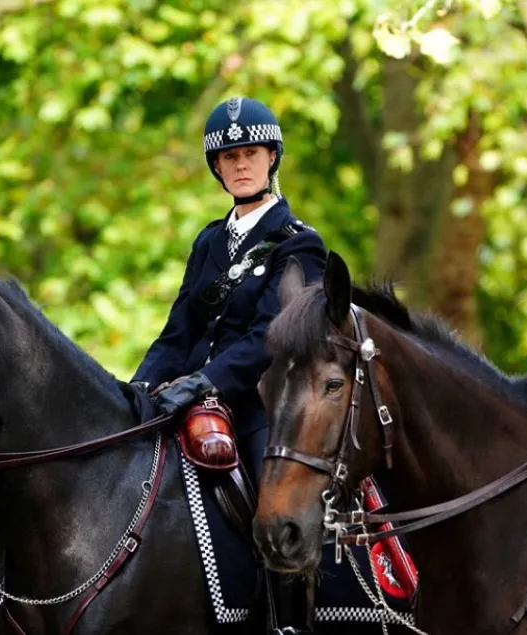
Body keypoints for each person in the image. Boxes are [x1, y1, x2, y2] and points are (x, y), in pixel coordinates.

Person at [131, 96, 327, 633]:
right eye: (229, 156)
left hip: (259, 409)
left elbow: (271, 338)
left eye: (251, 153)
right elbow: (178, 330)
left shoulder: (301, 245)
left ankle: (290, 621)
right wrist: (139, 389)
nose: (240, 164)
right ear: (216, 168)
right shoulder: (209, 242)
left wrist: (201, 383)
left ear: (271, 158)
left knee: (279, 509)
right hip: (185, 398)